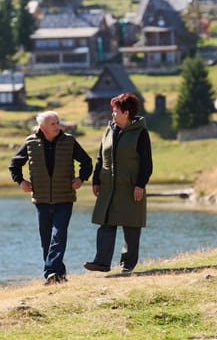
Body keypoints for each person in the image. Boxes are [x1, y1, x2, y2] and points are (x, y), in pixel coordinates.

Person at [9, 111, 92, 285]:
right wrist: (21, 182)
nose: (57, 126)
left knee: (59, 234)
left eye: (58, 122)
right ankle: (58, 275)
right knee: (47, 238)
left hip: (65, 198)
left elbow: (87, 162)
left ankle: (49, 272)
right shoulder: (30, 143)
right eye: (53, 124)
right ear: (42, 127)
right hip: (41, 199)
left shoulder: (69, 141)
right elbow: (14, 164)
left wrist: (80, 178)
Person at [84, 93, 153, 274]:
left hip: (131, 187)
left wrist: (140, 185)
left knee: (131, 226)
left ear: (126, 112)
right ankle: (102, 262)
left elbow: (147, 163)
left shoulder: (141, 133)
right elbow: (100, 157)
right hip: (109, 188)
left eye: (116, 111)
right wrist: (96, 180)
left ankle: (127, 264)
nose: (113, 114)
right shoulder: (108, 130)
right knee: (106, 224)